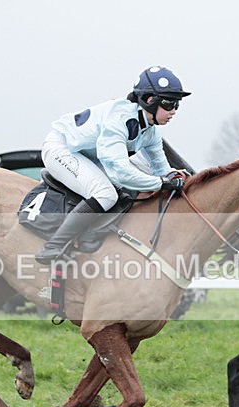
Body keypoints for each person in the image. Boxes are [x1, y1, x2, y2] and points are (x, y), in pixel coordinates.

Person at [34, 65, 191, 263]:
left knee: (124, 193)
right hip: (61, 148)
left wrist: (175, 177)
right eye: (169, 104)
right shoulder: (120, 120)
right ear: (150, 100)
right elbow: (121, 173)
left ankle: (88, 235)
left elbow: (161, 169)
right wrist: (160, 183)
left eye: (177, 105)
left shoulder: (150, 130)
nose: (174, 111)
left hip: (85, 154)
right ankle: (52, 248)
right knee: (105, 193)